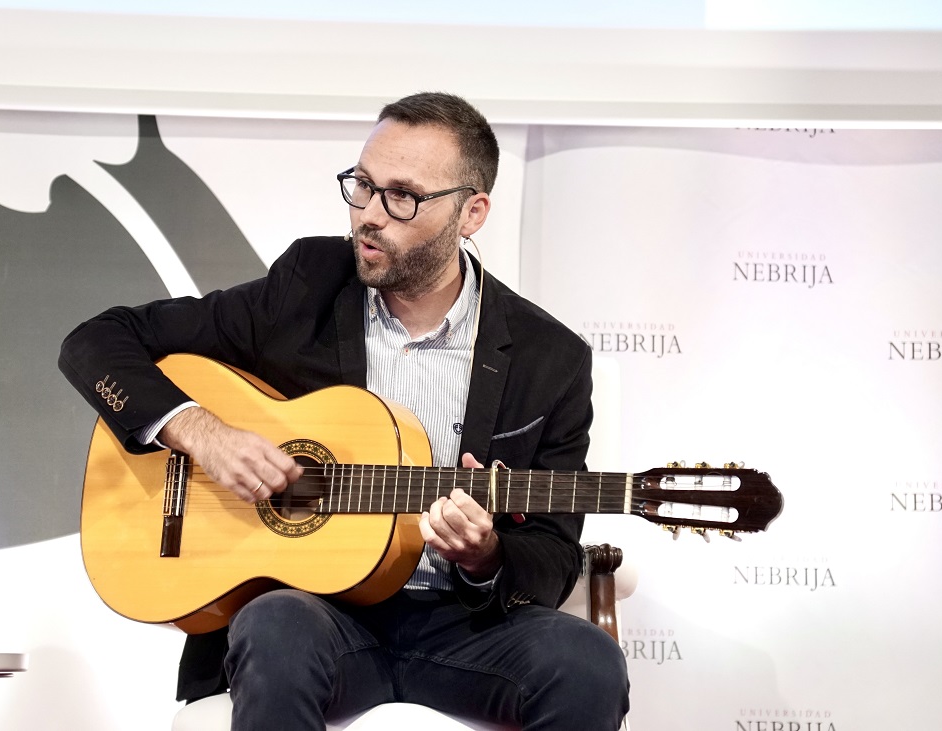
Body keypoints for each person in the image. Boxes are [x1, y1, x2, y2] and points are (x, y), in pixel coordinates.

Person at [59, 91, 628, 730]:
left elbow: (553, 558)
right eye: (362, 186)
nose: (368, 216)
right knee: (276, 624)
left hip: (466, 630)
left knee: (589, 663)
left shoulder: (550, 358)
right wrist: (200, 431)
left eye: (402, 196)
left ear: (471, 213)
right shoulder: (307, 284)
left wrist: (485, 555)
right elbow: (96, 341)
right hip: (320, 618)